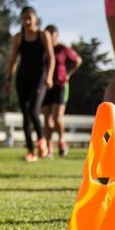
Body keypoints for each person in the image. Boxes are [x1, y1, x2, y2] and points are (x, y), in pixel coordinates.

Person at [6, 7, 55, 162]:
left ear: (35, 19)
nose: (26, 21)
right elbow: (13, 60)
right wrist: (8, 79)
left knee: (34, 110)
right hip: (22, 77)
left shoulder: (43, 35)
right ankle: (30, 151)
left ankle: (42, 142)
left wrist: (49, 76)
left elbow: (51, 58)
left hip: (39, 77)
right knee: (25, 114)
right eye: (23, 18)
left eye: (29, 18)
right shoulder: (18, 38)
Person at [42, 24, 82, 158]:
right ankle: (49, 149)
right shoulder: (43, 50)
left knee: (56, 117)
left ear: (56, 36)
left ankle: (61, 140)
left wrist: (68, 74)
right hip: (46, 87)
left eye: (53, 37)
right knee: (47, 120)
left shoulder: (62, 49)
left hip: (60, 85)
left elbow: (78, 60)